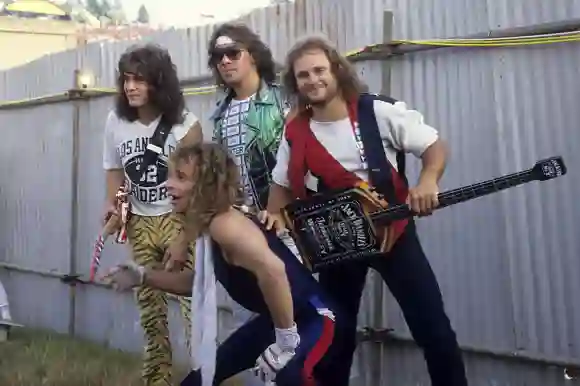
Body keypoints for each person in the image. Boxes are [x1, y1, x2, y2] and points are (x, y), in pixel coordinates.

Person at [266, 36, 469, 386]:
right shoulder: (295, 130)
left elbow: (434, 146)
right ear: (294, 83)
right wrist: (273, 217)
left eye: (319, 70)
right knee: (336, 335)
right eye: (303, 75)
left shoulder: (376, 111)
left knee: (432, 328)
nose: (313, 80)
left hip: (395, 235)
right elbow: (281, 184)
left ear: (336, 70)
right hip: (338, 243)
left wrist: (427, 182)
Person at [103, 143, 339, 386]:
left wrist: (287, 341)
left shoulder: (225, 225)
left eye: (181, 177)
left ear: (208, 186)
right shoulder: (212, 224)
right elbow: (197, 283)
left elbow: (274, 271)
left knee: (291, 378)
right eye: (170, 176)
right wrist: (142, 276)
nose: (168, 185)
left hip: (315, 319)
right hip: (282, 319)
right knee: (199, 380)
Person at [102, 43, 202, 386]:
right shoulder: (116, 120)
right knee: (150, 312)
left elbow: (200, 190)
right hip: (140, 223)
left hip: (179, 222)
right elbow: (114, 169)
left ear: (159, 84)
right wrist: (115, 205)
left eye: (140, 80)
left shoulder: (185, 125)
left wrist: (185, 236)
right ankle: (156, 380)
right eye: (127, 79)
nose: (131, 87)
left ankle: (203, 377)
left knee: (194, 312)